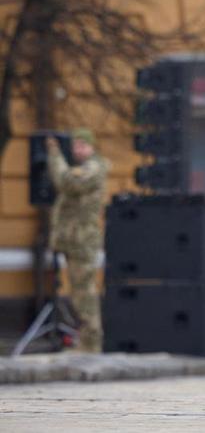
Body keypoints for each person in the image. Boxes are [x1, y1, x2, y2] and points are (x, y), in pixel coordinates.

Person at [45, 130, 109, 353]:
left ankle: (91, 343)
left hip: (83, 242)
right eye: (75, 145)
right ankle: (86, 341)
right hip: (73, 240)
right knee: (78, 293)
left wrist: (54, 154)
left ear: (92, 146)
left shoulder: (95, 167)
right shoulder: (82, 167)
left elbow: (67, 182)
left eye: (82, 145)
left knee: (85, 294)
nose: (77, 150)